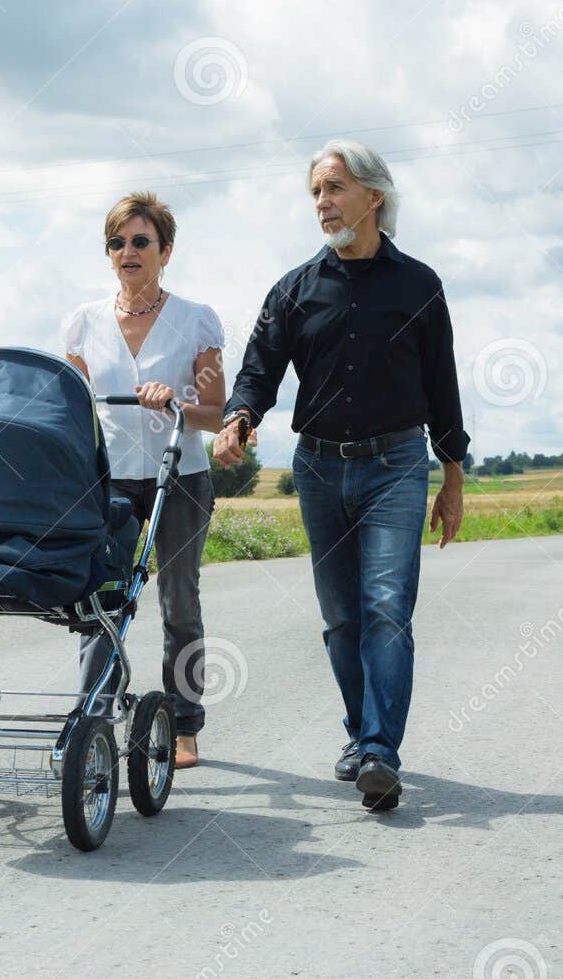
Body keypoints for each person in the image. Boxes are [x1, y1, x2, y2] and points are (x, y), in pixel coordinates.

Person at [214, 140, 468, 812]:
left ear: (374, 196)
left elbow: (442, 386)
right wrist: (239, 416)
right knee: (341, 617)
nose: (322, 204)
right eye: (316, 193)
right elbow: (258, 371)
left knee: (387, 606)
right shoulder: (294, 289)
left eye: (334, 189)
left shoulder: (419, 285)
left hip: (396, 466)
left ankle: (381, 751)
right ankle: (361, 734)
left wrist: (452, 477)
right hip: (319, 469)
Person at [63, 191, 224, 768]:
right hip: (109, 483)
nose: (127, 252)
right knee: (101, 599)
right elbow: (72, 410)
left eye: (140, 241)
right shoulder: (83, 323)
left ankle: (184, 726)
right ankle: (94, 722)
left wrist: (174, 400)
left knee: (179, 600)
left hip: (178, 477)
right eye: (117, 242)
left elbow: (216, 412)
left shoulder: (196, 320)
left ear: (165, 251)